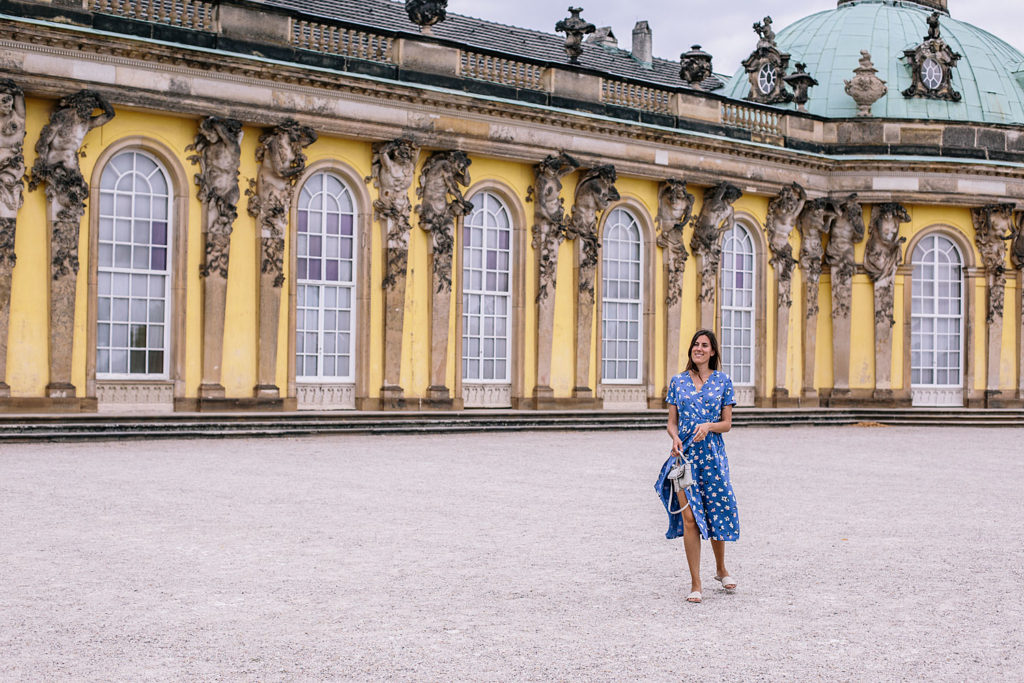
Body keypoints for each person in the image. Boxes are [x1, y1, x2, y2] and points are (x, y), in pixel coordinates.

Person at [655, 329, 739, 604]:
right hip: (684, 459)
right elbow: (671, 422)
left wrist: (709, 426)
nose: (698, 348)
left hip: (713, 457)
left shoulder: (723, 381)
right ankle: (696, 583)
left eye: (704, 345)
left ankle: (721, 569)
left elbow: (727, 424)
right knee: (689, 519)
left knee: (716, 513)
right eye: (695, 344)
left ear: (713, 352)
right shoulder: (678, 382)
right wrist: (675, 437)